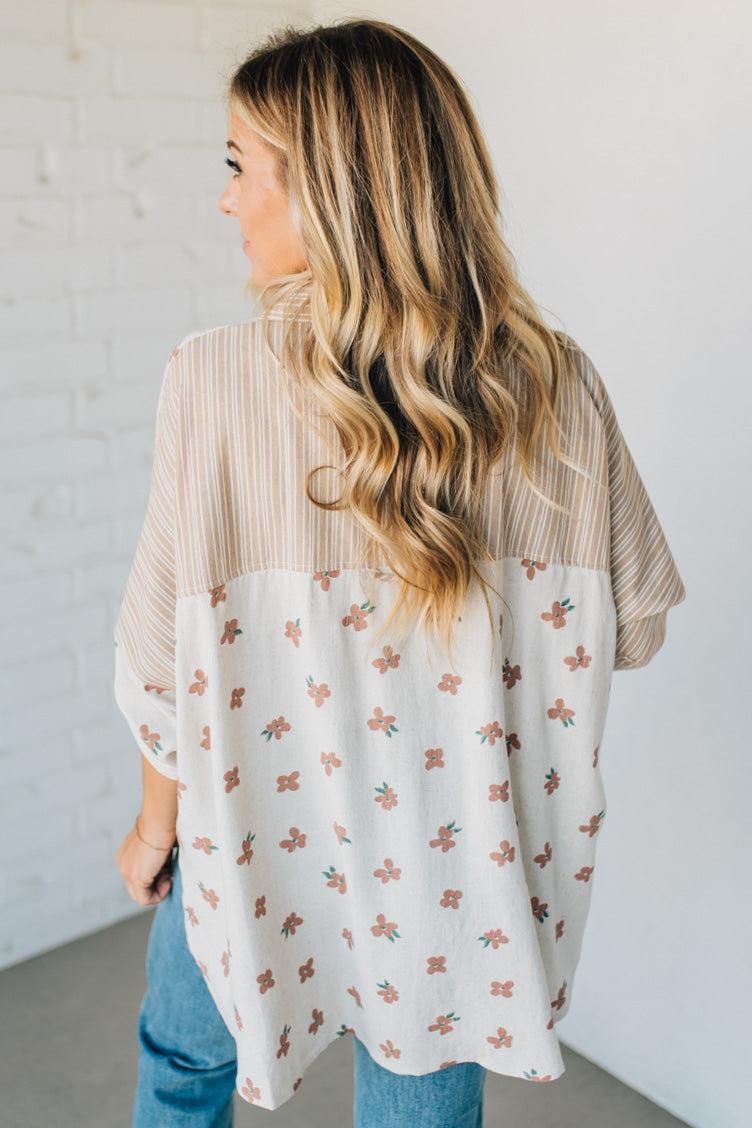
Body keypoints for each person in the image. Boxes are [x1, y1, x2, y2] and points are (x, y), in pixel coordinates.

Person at [112, 18, 686, 1127]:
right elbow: (636, 621)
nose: (226, 200)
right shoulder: (556, 382)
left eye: (238, 168)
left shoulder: (211, 382)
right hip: (449, 876)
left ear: (330, 192)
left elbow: (164, 672)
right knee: (418, 1101)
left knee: (183, 1059)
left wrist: (150, 834)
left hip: (247, 841)